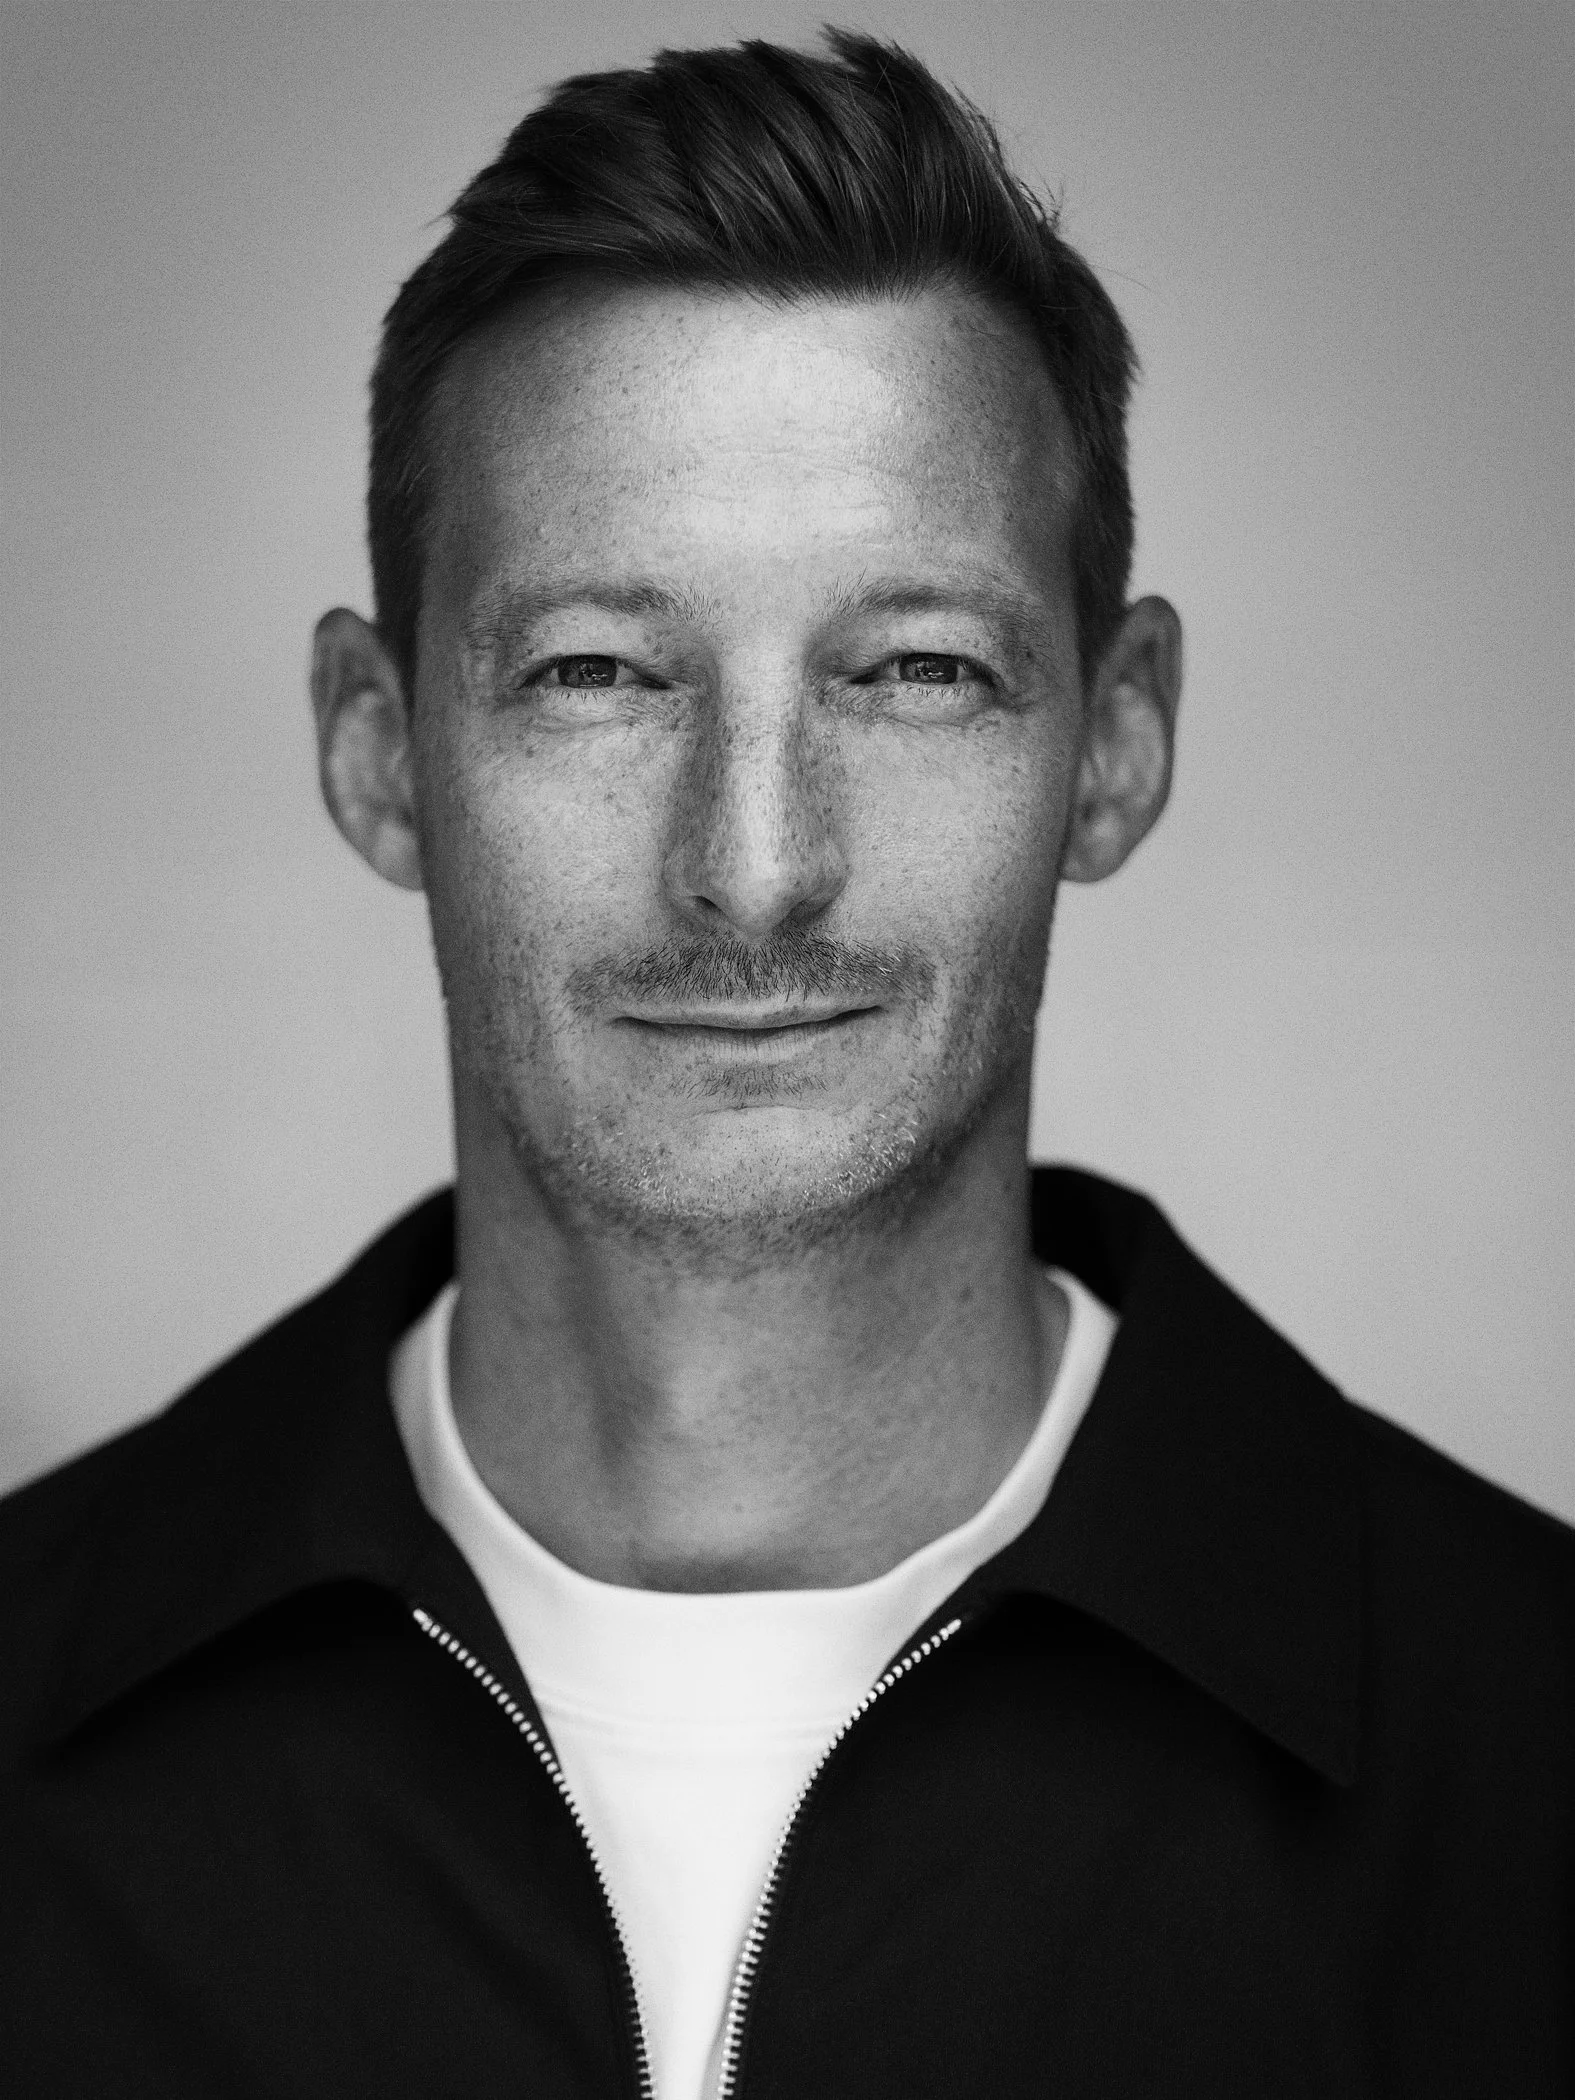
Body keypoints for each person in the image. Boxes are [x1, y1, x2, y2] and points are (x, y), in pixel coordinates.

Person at [3, 29, 1570, 2100]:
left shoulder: (1533, 1760)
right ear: (379, 753)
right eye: (597, 672)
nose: (751, 867)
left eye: (913, 669)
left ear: (1116, 740)